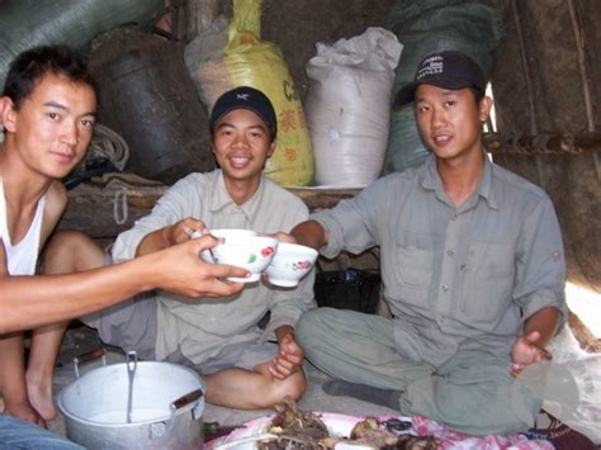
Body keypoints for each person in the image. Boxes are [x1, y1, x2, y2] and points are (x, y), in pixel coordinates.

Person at [290, 51, 566, 435]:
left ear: (483, 107)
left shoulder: (528, 205)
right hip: (409, 343)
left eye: (450, 104)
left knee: (517, 406)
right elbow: (331, 225)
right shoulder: (394, 193)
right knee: (313, 329)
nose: (437, 121)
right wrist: (295, 240)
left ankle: (399, 396)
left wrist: (533, 341)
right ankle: (434, 394)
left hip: (485, 353)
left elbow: (545, 296)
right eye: (424, 108)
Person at [0, 45, 248, 447]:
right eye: (53, 115)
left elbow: (13, 301)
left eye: (85, 122)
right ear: (9, 114)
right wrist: (150, 271)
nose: (71, 137)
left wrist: (15, 401)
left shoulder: (52, 200)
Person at [44, 86, 315, 410]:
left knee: (290, 385)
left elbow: (292, 299)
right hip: (158, 324)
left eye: (254, 134)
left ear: (270, 146)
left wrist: (285, 342)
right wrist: (169, 237)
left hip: (232, 343)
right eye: (228, 133)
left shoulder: (290, 211)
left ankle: (182, 385)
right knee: (67, 246)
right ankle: (38, 376)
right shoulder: (192, 190)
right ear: (214, 145)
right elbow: (128, 247)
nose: (240, 145)